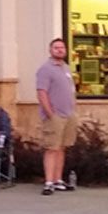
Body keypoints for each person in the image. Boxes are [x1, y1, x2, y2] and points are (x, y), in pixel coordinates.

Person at [35, 38, 78, 196]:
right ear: (50, 50)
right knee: (52, 148)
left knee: (62, 147)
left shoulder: (66, 68)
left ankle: (58, 180)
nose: (60, 50)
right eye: (56, 47)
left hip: (69, 115)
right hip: (55, 116)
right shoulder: (45, 69)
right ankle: (48, 183)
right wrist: (50, 114)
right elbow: (42, 92)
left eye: (62, 47)